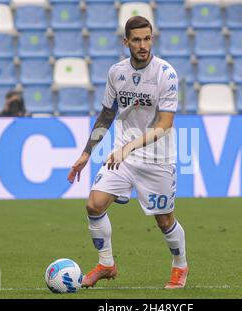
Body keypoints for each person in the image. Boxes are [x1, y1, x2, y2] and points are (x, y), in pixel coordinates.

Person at [67, 16, 188, 289]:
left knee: (164, 220)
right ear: (126, 42)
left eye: (147, 38)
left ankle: (180, 265)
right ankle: (106, 264)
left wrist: (128, 147)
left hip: (157, 158)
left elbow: (165, 125)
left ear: (152, 39)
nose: (143, 45)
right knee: (94, 205)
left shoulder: (165, 74)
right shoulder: (116, 73)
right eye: (136, 40)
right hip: (123, 155)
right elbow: (107, 115)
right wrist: (86, 153)